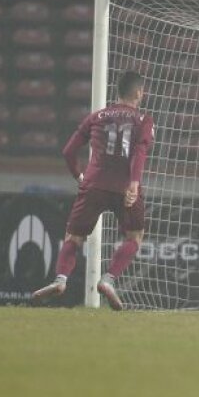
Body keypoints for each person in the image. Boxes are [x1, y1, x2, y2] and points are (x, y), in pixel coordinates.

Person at [32, 71, 154, 310]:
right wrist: (134, 183)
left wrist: (79, 176)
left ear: (117, 92)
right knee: (135, 236)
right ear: (139, 92)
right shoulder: (144, 120)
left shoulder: (96, 117)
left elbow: (68, 151)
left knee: (74, 238)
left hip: (93, 185)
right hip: (125, 188)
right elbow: (139, 152)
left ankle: (60, 279)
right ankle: (108, 280)